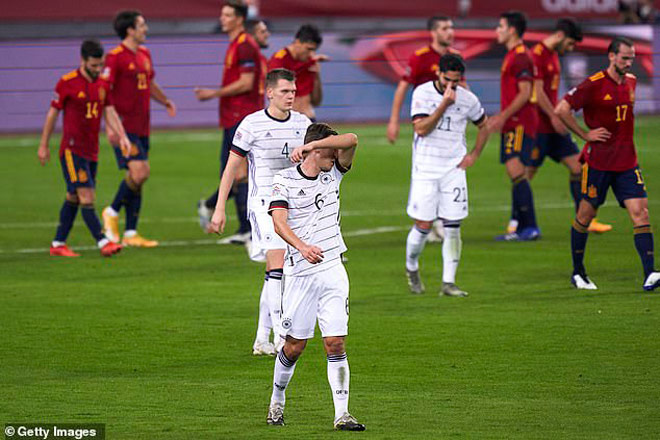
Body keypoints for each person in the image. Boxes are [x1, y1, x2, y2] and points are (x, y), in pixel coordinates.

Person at [265, 123, 364, 431]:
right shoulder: (283, 180)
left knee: (335, 342)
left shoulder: (332, 174)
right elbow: (279, 223)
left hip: (333, 267)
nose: (337, 155)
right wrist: (302, 247)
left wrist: (311, 147)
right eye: (329, 151)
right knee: (295, 346)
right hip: (300, 272)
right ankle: (277, 401)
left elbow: (353, 139)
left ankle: (342, 414)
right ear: (317, 150)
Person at [208, 69, 312, 355]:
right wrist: (219, 209)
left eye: (292, 91)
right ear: (269, 93)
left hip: (294, 205)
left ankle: (261, 339)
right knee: (278, 263)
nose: (290, 96)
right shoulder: (251, 125)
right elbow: (231, 168)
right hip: (264, 204)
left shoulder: (303, 123)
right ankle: (281, 336)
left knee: (279, 271)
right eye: (284, 92)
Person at [555, 37, 660, 291]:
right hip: (598, 163)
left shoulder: (632, 82)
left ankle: (650, 273)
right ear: (611, 56)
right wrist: (585, 134)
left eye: (632, 58)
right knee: (585, 215)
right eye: (624, 57)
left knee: (641, 213)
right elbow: (562, 109)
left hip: (627, 162)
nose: (629, 62)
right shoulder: (593, 84)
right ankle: (578, 272)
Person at [404, 54, 490, 297]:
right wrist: (444, 104)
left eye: (456, 81)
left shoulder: (468, 99)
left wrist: (474, 154)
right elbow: (421, 129)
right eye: (447, 80)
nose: (450, 86)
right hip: (425, 168)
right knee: (423, 224)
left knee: (453, 227)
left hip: (454, 169)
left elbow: (484, 125)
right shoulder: (422, 93)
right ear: (438, 73)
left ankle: (448, 283)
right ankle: (411, 267)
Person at [517, 19, 612, 235]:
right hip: (539, 126)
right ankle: (517, 221)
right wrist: (554, 116)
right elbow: (537, 92)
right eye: (570, 44)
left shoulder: (552, 55)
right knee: (525, 173)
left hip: (553, 126)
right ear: (560, 36)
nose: (570, 49)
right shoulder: (537, 54)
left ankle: (584, 219)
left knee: (579, 167)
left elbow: (549, 92)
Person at [38, 40, 129, 258]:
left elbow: (110, 111)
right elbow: (53, 114)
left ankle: (58, 243)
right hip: (72, 150)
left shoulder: (103, 84)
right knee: (87, 196)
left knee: (74, 196)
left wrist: (123, 136)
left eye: (100, 65)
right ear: (83, 61)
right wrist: (44, 145)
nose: (98, 69)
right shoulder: (67, 83)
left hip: (92, 151)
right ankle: (103, 241)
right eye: (94, 65)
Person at [101, 10, 176, 248]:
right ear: (130, 30)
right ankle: (112, 212)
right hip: (123, 127)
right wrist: (112, 127)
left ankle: (131, 232)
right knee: (140, 172)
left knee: (136, 177)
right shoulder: (115, 58)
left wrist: (164, 100)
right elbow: (103, 93)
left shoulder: (144, 54)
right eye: (142, 25)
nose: (146, 29)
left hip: (142, 126)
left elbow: (149, 83)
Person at [388, 16, 461, 243]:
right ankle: (425, 222)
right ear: (433, 32)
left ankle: (439, 221)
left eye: (450, 27)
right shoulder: (420, 58)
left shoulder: (455, 58)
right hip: (426, 126)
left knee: (448, 174)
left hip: (449, 129)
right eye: (444, 28)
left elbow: (462, 87)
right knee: (425, 174)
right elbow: (402, 87)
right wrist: (393, 120)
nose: (449, 32)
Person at [196, 1, 263, 243]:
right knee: (234, 172)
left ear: (239, 19)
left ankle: (246, 228)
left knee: (239, 172)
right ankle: (216, 209)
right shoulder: (236, 44)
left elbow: (246, 83)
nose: (222, 18)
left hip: (241, 116)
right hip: (233, 116)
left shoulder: (244, 45)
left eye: (227, 15)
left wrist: (213, 93)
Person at [488, 11, 540, 241]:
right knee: (516, 172)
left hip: (519, 122)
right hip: (514, 122)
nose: (496, 31)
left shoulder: (520, 56)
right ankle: (521, 227)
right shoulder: (513, 54)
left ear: (511, 30)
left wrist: (503, 116)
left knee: (516, 170)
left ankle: (529, 226)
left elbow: (526, 93)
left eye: (500, 26)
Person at [268, 24, 327, 120]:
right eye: (308, 49)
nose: (311, 53)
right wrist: (309, 63)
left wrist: (316, 76)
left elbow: (316, 101)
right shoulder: (279, 59)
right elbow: (273, 94)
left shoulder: (309, 62)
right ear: (298, 42)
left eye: (314, 50)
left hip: (308, 118)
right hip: (285, 120)